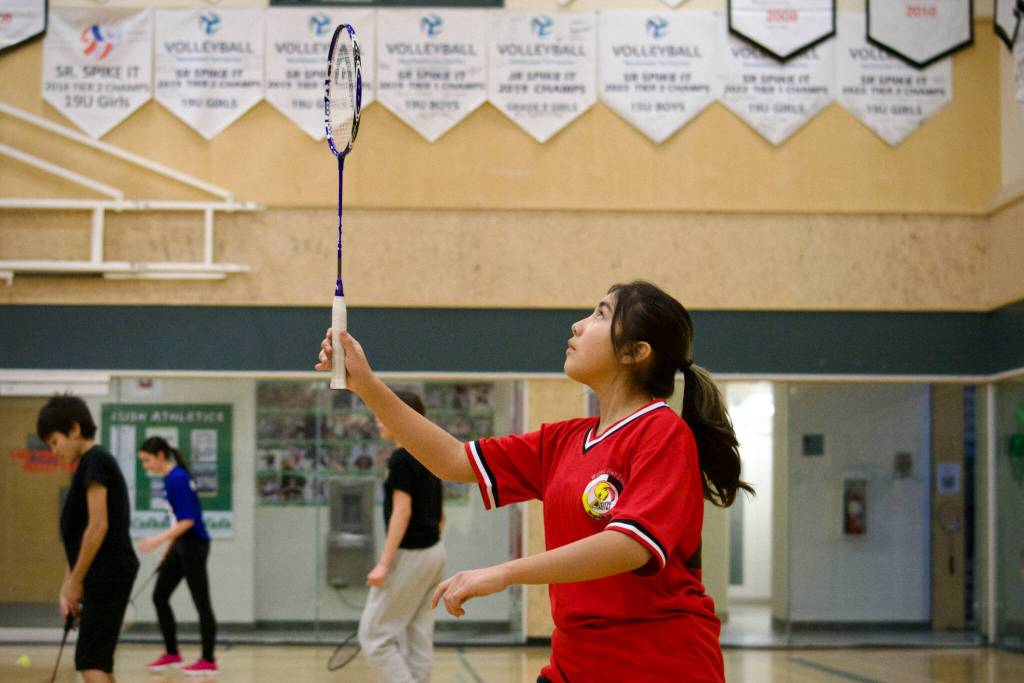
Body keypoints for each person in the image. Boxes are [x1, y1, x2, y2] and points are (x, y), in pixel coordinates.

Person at [316, 281, 753, 683]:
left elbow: (628, 546)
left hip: (658, 666)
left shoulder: (662, 433)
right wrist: (367, 385)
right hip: (574, 664)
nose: (578, 325)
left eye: (600, 315)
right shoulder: (562, 441)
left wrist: (505, 573)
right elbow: (452, 460)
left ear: (635, 352)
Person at [37, 394, 140, 683]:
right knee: (97, 659)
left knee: (90, 660)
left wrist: (75, 581)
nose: (54, 451)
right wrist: (68, 584)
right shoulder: (89, 466)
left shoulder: (95, 461)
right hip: (104, 573)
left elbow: (98, 527)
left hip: (107, 573)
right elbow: (80, 536)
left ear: (74, 429)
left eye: (55, 442)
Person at [357, 390, 446, 683]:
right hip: (434, 553)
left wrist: (384, 563)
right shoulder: (430, 453)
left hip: (410, 553)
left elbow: (402, 512)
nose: (377, 419)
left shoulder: (401, 459)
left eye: (383, 411)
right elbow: (442, 516)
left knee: (374, 636)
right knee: (416, 635)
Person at [136, 436, 218, 676]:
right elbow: (177, 519)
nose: (146, 466)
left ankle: (208, 660)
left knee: (201, 602)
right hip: (181, 544)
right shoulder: (172, 478)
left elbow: (188, 521)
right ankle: (172, 653)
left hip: (194, 545)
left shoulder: (177, 479)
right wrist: (167, 548)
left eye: (147, 460)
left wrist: (156, 541)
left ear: (161, 455)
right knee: (160, 596)